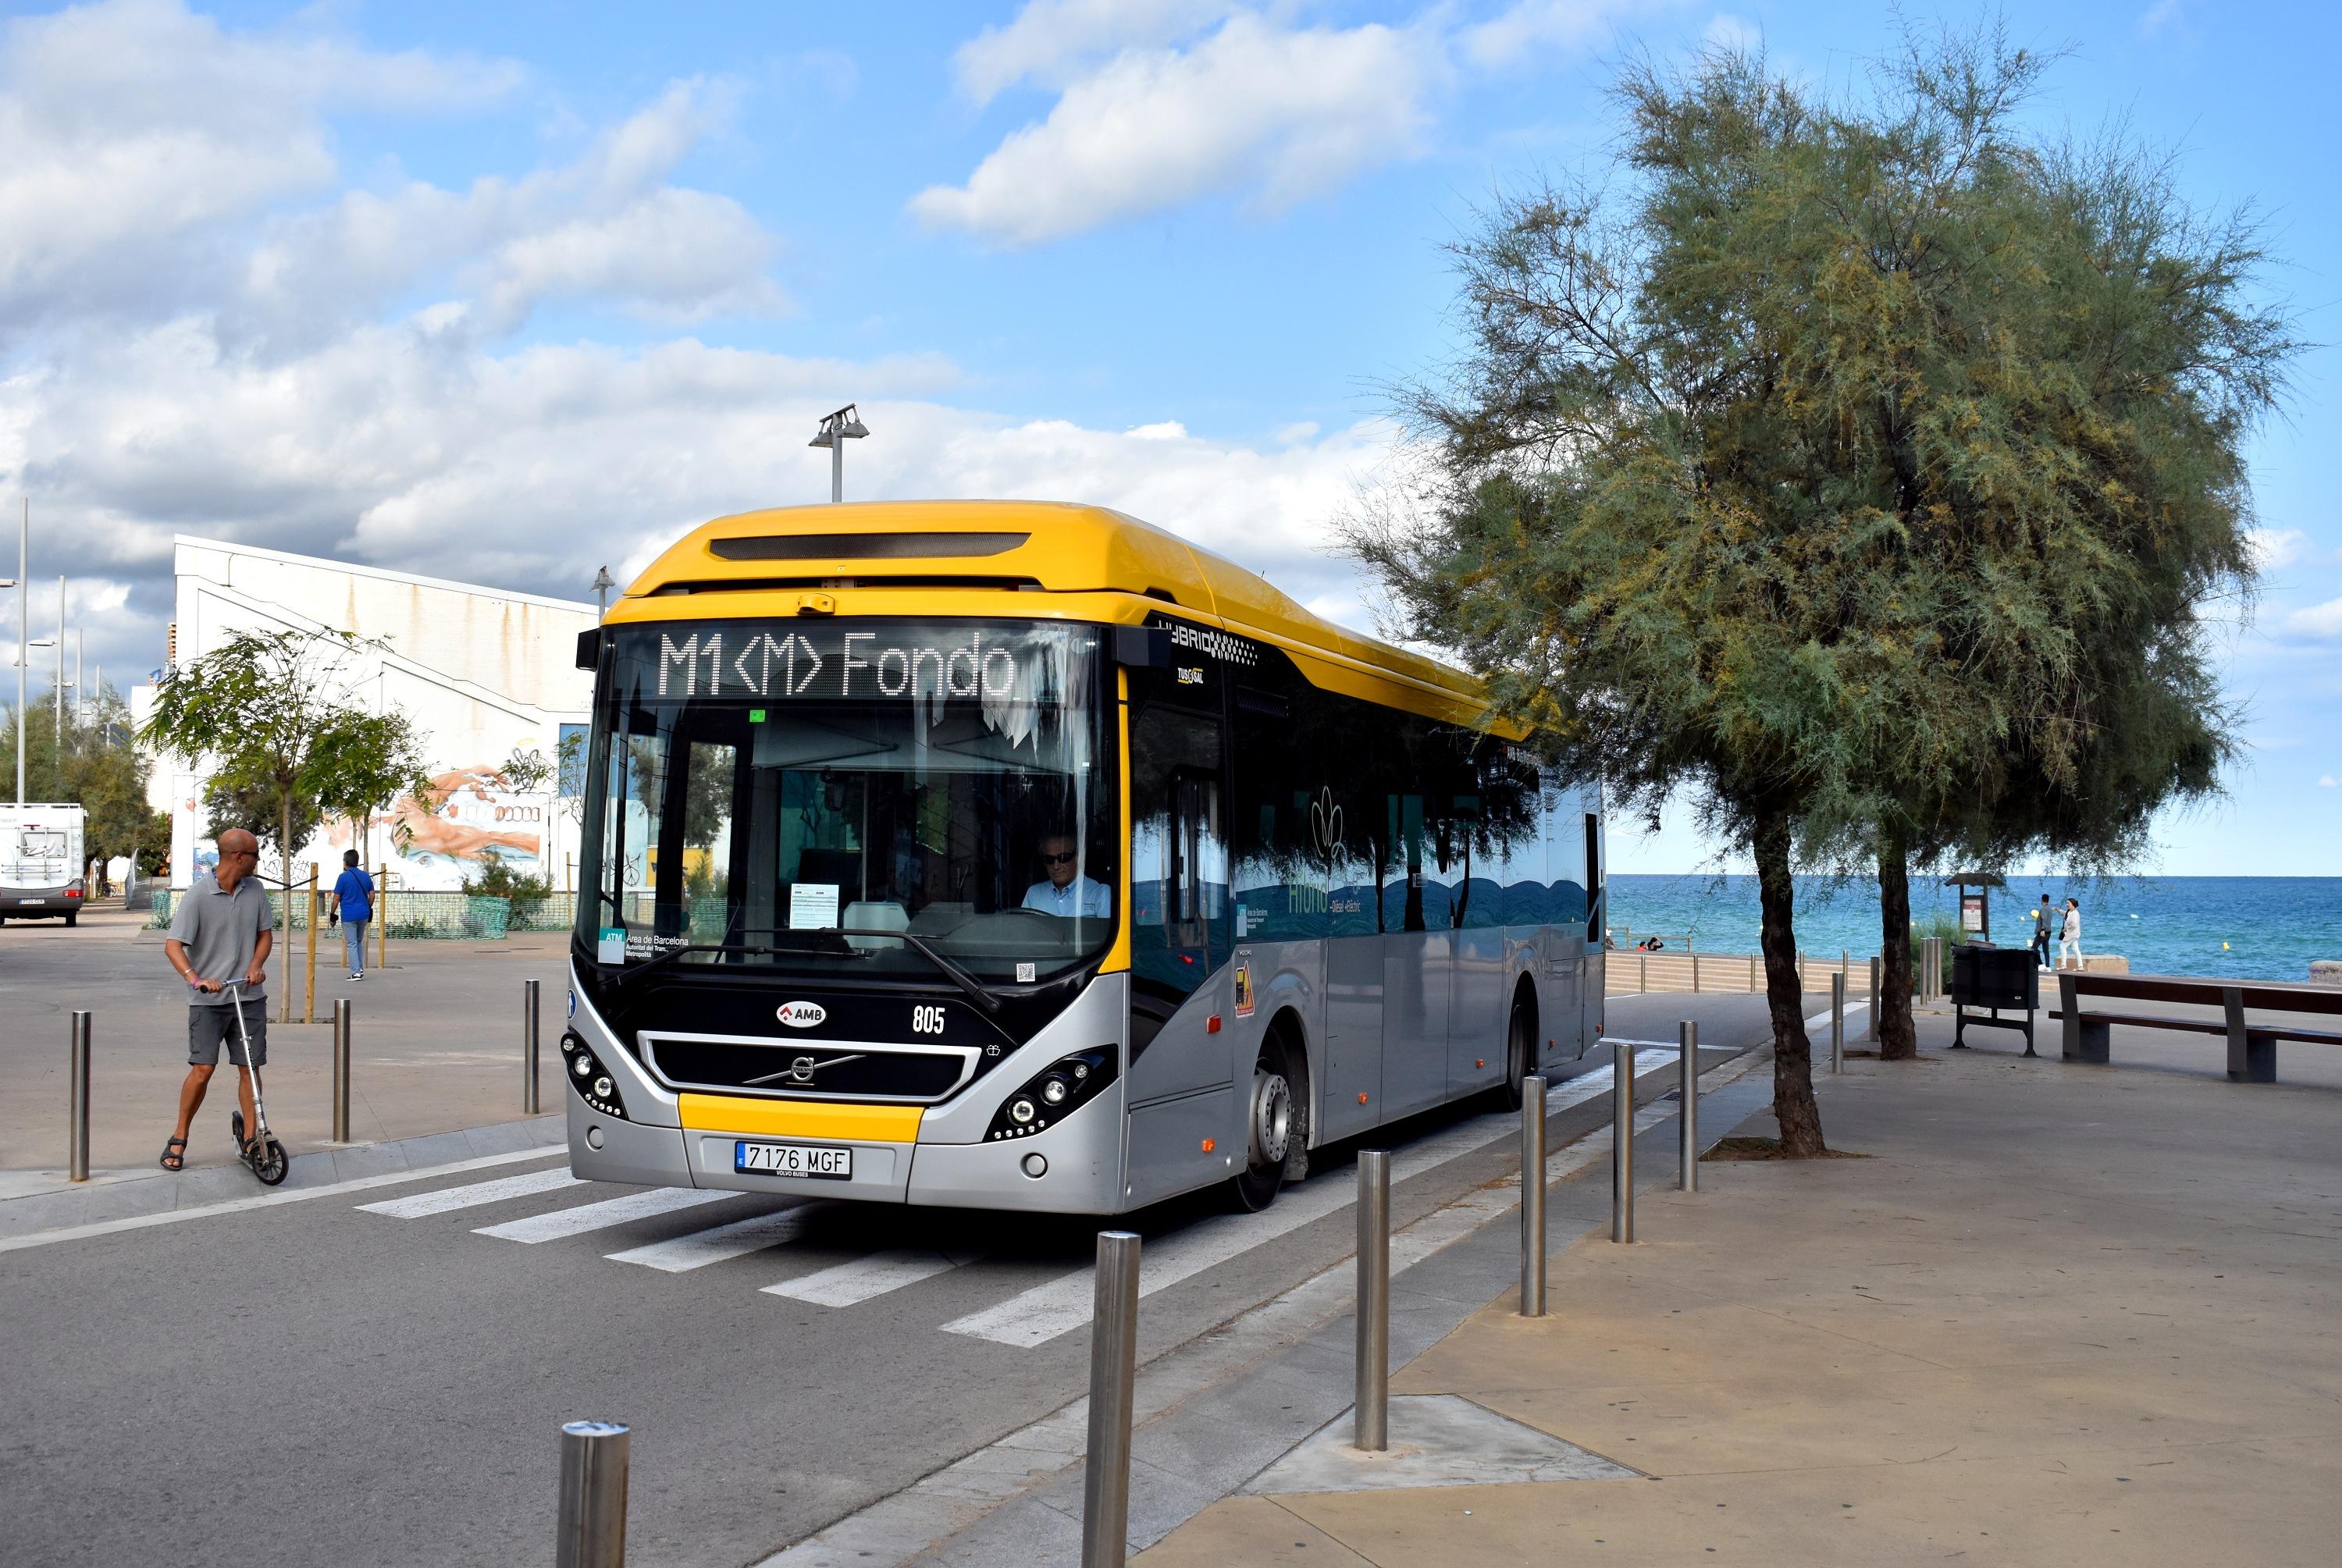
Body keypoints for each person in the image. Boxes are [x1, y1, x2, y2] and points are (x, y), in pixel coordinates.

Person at [158, 828, 276, 1172]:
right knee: (203, 1069)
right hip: (209, 1001)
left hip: (248, 996)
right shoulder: (198, 896)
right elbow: (172, 945)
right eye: (255, 854)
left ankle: (252, 1138)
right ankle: (179, 1136)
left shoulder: (255, 890)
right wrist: (196, 979)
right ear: (239, 857)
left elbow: (265, 935)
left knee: (250, 1069)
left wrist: (256, 966)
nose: (258, 860)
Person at [1021, 832, 1110, 919]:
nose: (1056, 867)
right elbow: (1023, 931)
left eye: (1063, 858)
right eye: (1049, 859)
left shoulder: (1100, 893)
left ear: (1078, 857)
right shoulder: (1033, 893)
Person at [333, 849, 376, 980]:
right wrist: (367, 906)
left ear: (345, 862)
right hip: (363, 914)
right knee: (358, 941)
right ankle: (360, 967)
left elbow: (336, 898)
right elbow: (372, 895)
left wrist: (332, 913)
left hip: (349, 915)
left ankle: (356, 972)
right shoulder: (365, 876)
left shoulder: (343, 877)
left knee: (351, 943)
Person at [2058, 898, 2084, 971]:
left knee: (2062, 947)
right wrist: (2058, 910)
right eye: (2066, 903)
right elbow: (2064, 913)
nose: (2067, 904)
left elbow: (2074, 925)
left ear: (2073, 904)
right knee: (2076, 949)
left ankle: (2063, 965)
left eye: (2068, 903)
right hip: (2074, 934)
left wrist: (2066, 929)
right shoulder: (2070, 912)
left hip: (2072, 934)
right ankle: (2080, 966)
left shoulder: (2075, 913)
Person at [2031, 894, 2055, 969]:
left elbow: (2044, 920)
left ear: (2042, 900)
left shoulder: (2044, 909)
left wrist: (2042, 930)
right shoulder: (2049, 909)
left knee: (2034, 947)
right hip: (2048, 931)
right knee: (2045, 949)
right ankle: (2048, 966)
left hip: (2043, 932)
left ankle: (2039, 963)